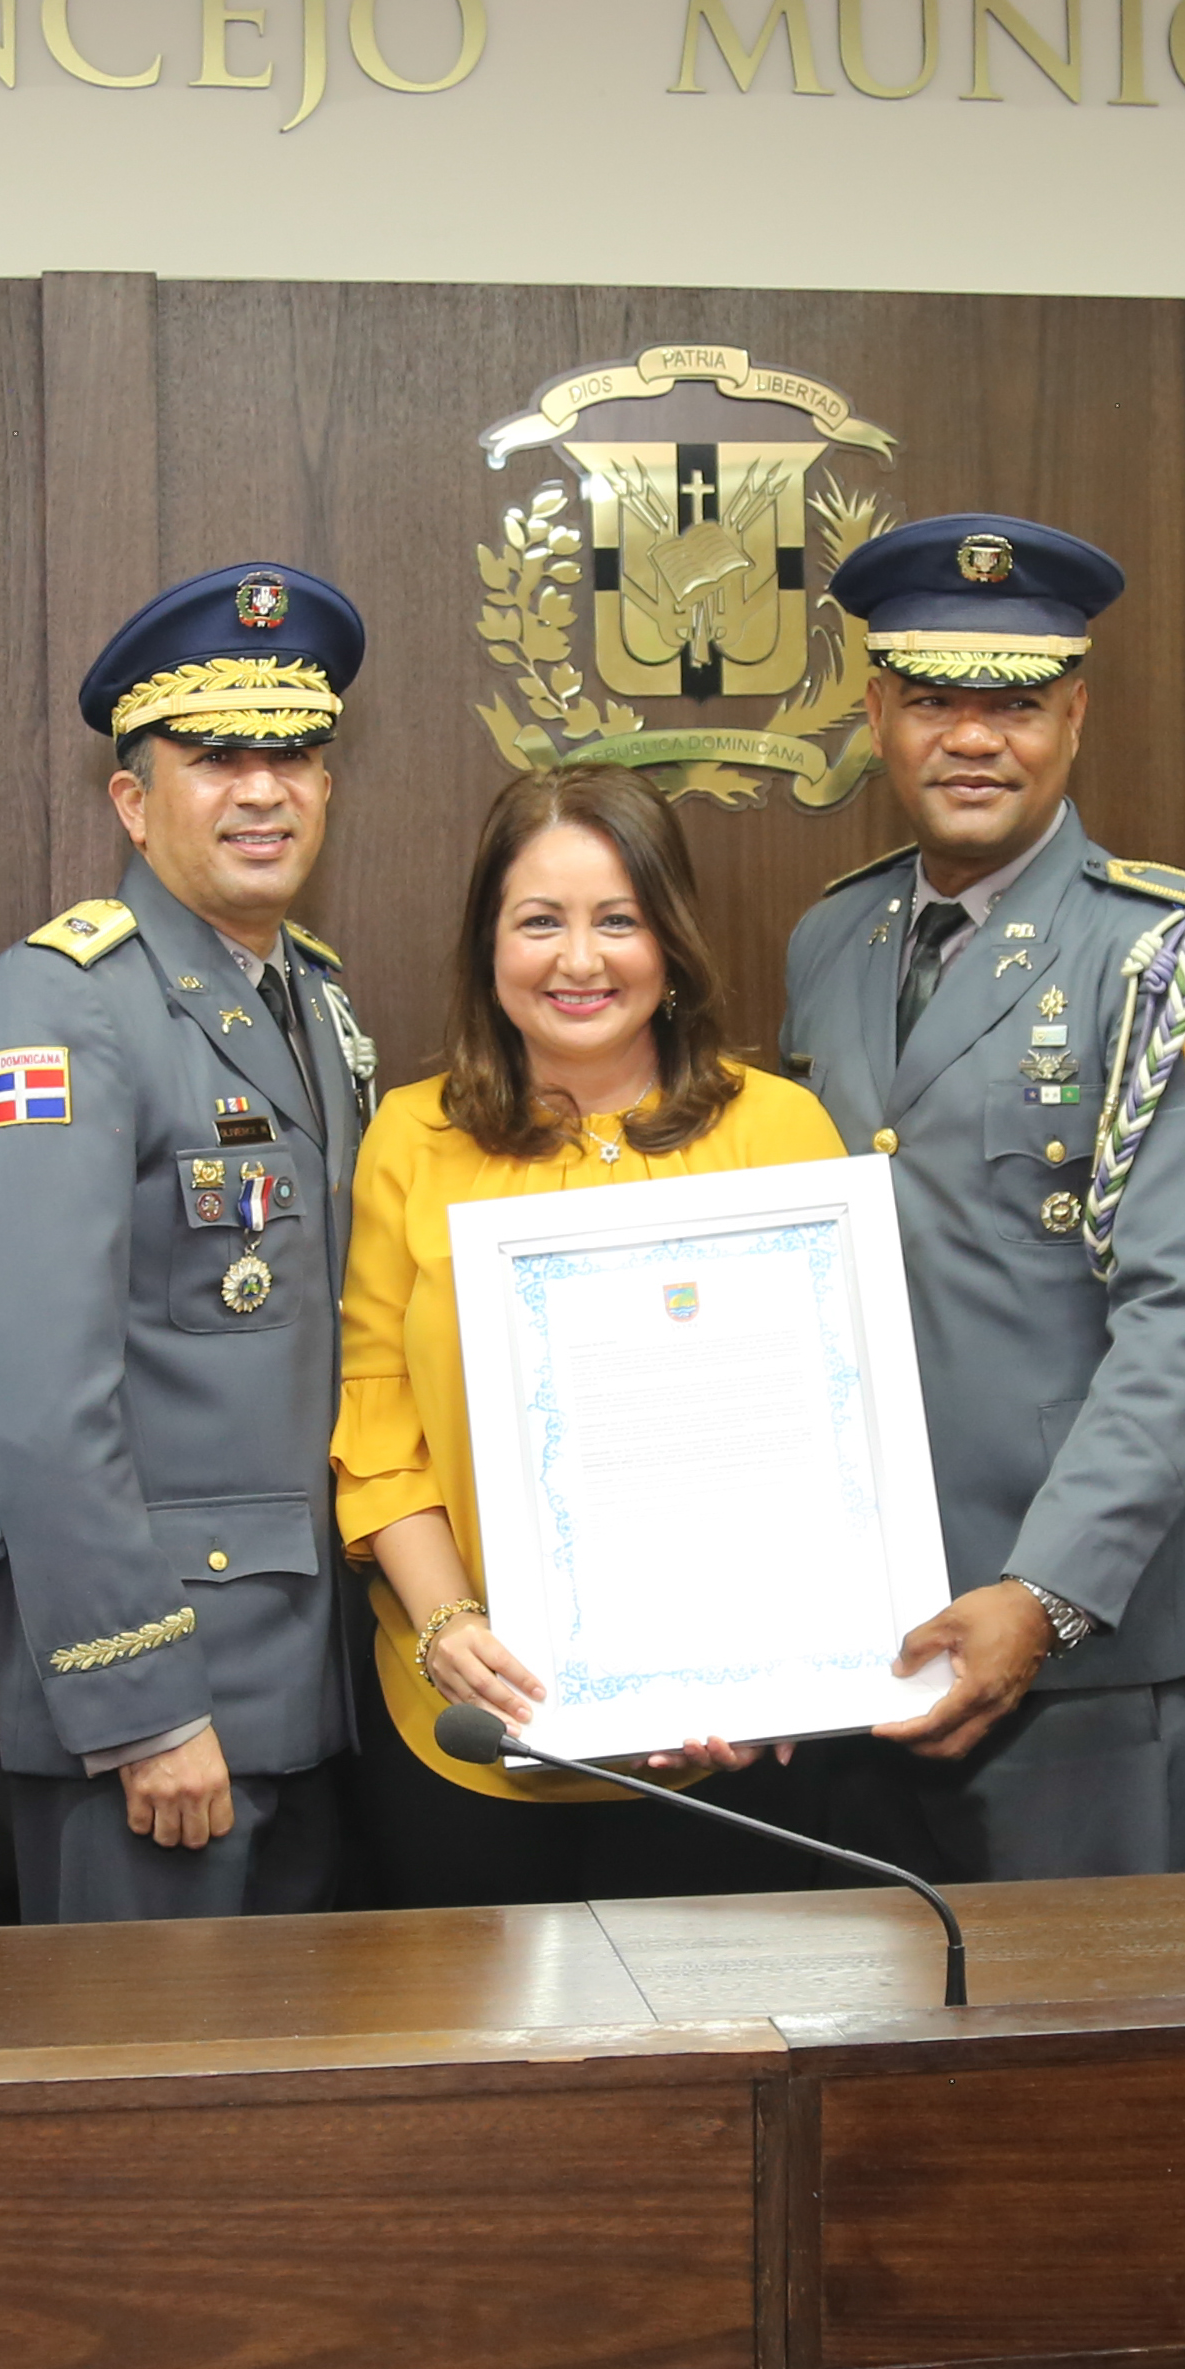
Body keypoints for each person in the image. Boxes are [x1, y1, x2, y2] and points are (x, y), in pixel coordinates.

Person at [772, 514, 1185, 1881]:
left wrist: (1046, 1590)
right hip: (856, 1633)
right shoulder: (828, 940)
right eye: (932, 701)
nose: (971, 739)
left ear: (1074, 717)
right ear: (875, 715)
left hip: (1092, 1644)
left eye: (1012, 704)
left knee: (1081, 2016)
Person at [0, 564, 375, 1922]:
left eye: (291, 757)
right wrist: (140, 1704)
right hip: (155, 1713)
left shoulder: (310, 996)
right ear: (131, 800)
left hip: (305, 1695)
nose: (262, 791)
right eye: (217, 758)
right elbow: (38, 1400)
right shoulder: (60, 1011)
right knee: (144, 2061)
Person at [331, 764, 850, 1904]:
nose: (579, 960)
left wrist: (782, 1665)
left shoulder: (782, 1130)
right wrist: (447, 1624)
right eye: (539, 922)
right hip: (468, 1739)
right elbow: (379, 1431)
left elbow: (834, 1440)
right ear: (487, 943)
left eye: (618, 919)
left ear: (672, 940)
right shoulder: (409, 1141)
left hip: (734, 1751)